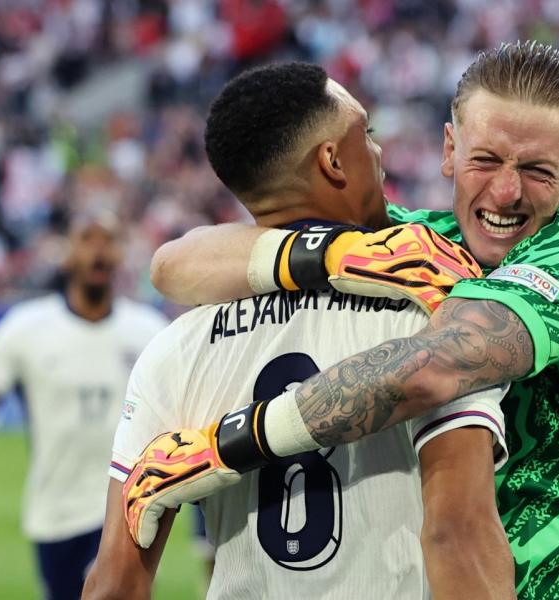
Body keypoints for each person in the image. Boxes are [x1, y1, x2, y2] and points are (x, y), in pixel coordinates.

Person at [136, 41, 559, 600]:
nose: (505, 191)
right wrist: (337, 255)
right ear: (449, 149)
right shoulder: (420, 242)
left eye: (538, 171)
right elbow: (174, 264)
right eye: (486, 159)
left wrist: (224, 448)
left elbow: (432, 370)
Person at [82, 62, 513, 600]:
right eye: (367, 136)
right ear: (333, 161)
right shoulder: (431, 315)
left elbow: (113, 584)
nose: (378, 155)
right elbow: (460, 537)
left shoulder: (176, 348)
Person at [0, 212, 167, 600]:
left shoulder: (148, 331)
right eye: (87, 238)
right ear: (66, 253)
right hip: (56, 510)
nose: (98, 251)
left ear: (122, 253)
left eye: (108, 240)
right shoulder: (25, 328)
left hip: (128, 508)